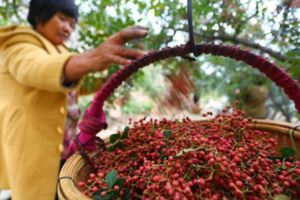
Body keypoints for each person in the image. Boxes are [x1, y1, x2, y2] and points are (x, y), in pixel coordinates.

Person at [0, 0, 148, 199]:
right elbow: (36, 68)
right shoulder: (19, 42)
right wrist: (93, 58)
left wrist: (107, 78)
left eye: (72, 24)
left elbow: (73, 85)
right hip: (33, 148)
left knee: (59, 189)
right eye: (62, 19)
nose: (67, 28)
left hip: (62, 148)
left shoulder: (61, 51)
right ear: (39, 15)